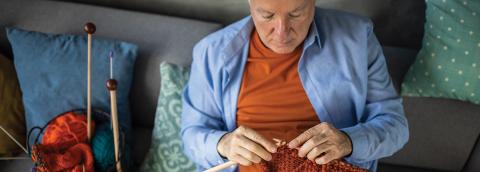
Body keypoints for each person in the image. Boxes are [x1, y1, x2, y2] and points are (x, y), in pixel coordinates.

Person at [180, 0, 409, 171]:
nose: (281, 32)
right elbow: (191, 137)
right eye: (267, 15)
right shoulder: (212, 53)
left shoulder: (357, 38)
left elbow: (395, 127)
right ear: (250, 4)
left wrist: (348, 141)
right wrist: (223, 144)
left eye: (296, 14)